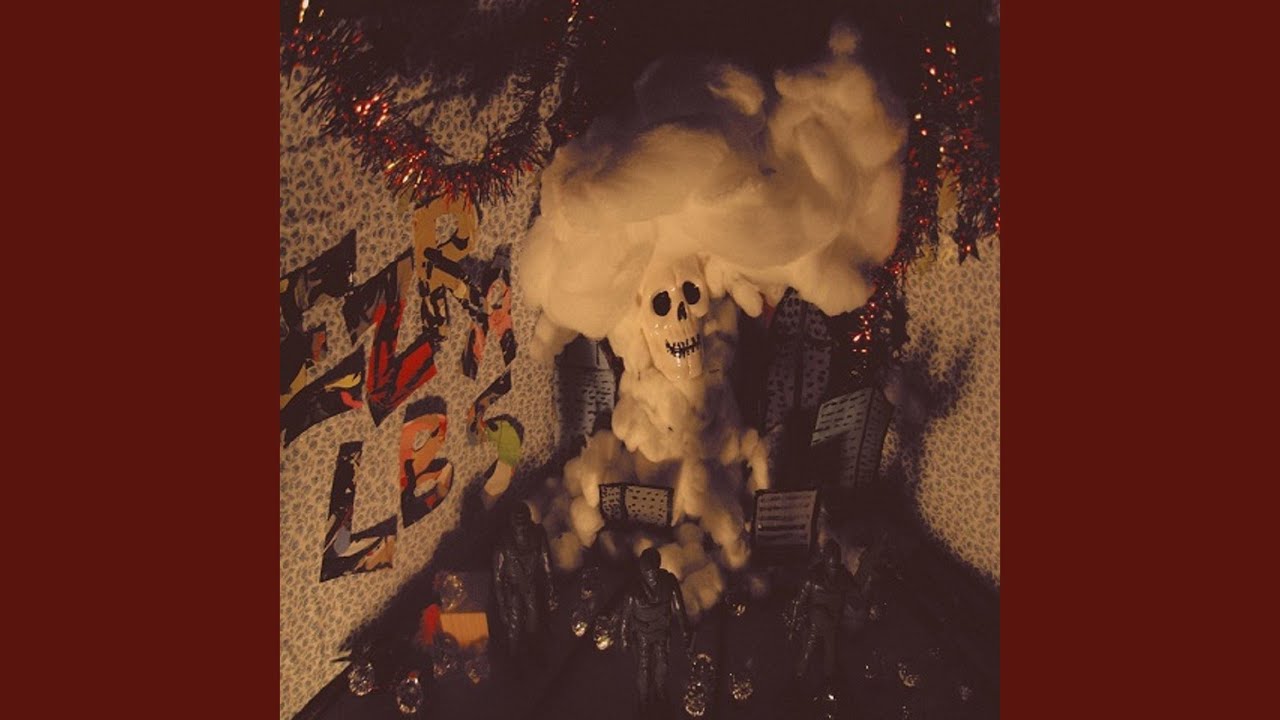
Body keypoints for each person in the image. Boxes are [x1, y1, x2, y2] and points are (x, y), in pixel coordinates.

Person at [620, 548, 692, 712]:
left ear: (658, 566)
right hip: (643, 634)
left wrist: (685, 632)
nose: (651, 574)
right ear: (642, 571)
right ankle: (644, 697)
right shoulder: (633, 590)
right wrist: (624, 637)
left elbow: (679, 609)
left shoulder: (669, 582)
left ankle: (659, 691)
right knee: (644, 666)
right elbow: (626, 616)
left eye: (652, 569)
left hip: (661, 632)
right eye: (647, 570)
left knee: (662, 663)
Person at [788, 539, 856, 681]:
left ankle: (820, 677)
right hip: (818, 621)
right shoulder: (814, 578)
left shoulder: (842, 577)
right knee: (816, 647)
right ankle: (807, 675)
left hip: (830, 622)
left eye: (835, 566)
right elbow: (798, 602)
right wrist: (794, 625)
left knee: (825, 649)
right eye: (831, 566)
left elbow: (855, 596)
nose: (833, 570)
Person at [492, 504, 553, 658]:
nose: (522, 529)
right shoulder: (504, 545)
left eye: (524, 523)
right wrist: (502, 606)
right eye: (518, 524)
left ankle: (532, 652)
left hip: (531, 584)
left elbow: (547, 563)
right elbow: (498, 578)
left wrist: (551, 587)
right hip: (512, 587)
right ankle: (513, 657)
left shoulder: (538, 535)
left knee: (534, 619)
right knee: (515, 622)